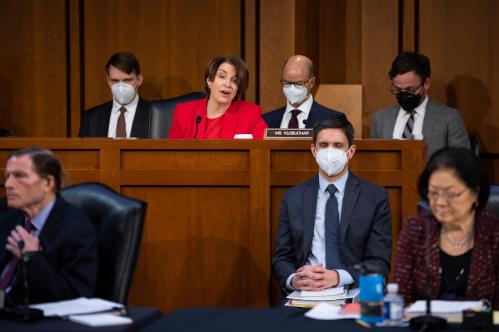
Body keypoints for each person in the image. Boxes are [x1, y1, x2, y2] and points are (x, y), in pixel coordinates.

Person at [272, 117, 392, 293]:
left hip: (354, 288)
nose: (330, 151)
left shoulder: (374, 196)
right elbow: (282, 258)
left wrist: (337, 277)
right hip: (306, 292)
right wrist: (295, 281)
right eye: (323, 145)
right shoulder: (293, 197)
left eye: (337, 145)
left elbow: (379, 261)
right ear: (313, 150)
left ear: (350, 151)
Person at [394, 147, 499, 309]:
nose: (440, 202)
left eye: (450, 194)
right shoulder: (415, 229)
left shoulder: (494, 233)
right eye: (434, 193)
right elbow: (400, 298)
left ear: (475, 193)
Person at [0, 147, 98, 306]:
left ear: (47, 183)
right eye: (8, 176)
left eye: (20, 176)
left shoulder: (77, 229)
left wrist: (31, 257)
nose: (8, 184)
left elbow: (75, 297)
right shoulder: (6, 214)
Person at [370, 52, 470, 158]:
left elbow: (463, 164)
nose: (404, 95)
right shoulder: (380, 119)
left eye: (410, 90)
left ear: (426, 84)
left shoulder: (449, 118)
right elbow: (373, 164)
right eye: (398, 90)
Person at [168, 56, 267, 139]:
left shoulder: (250, 114)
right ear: (209, 80)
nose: (228, 84)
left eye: (234, 80)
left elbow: (263, 149)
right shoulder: (184, 112)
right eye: (222, 76)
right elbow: (172, 154)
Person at [79, 52, 151, 138]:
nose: (121, 87)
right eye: (115, 81)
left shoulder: (154, 114)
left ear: (139, 79)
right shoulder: (91, 118)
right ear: (108, 80)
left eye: (127, 80)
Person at [263, 55, 344, 129]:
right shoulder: (266, 120)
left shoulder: (333, 119)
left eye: (298, 83)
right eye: (287, 83)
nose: (292, 89)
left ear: (311, 83)